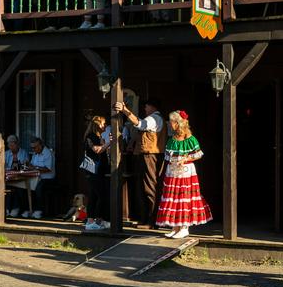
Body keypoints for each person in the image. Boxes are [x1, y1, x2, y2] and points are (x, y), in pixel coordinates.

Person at [156, 110, 212, 239]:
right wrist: (173, 161)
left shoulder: (190, 139)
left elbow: (198, 154)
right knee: (173, 197)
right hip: (173, 171)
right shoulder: (172, 139)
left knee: (184, 196)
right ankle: (175, 227)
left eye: (171, 121)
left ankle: (184, 227)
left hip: (186, 171)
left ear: (178, 123)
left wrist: (185, 159)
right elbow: (167, 156)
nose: (169, 124)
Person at [115, 98, 164, 227]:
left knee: (149, 187)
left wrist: (125, 110)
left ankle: (152, 221)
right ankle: (146, 218)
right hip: (146, 155)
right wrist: (132, 144)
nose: (145, 109)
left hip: (150, 156)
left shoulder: (154, 118)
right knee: (144, 186)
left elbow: (140, 124)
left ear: (152, 107)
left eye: (147, 106)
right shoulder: (154, 118)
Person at [83, 116, 113, 232]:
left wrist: (107, 144)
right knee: (100, 195)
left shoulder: (98, 136)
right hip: (92, 170)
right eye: (103, 123)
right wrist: (108, 143)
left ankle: (98, 221)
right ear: (97, 124)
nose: (105, 126)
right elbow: (97, 150)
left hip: (99, 170)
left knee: (95, 195)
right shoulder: (91, 136)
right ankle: (91, 222)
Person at [25, 137, 56, 218]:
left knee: (38, 188)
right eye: (32, 148)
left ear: (40, 146)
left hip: (47, 179)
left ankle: (39, 210)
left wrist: (34, 167)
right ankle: (28, 209)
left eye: (34, 147)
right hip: (36, 177)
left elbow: (48, 169)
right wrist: (27, 165)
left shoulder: (48, 153)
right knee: (24, 186)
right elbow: (32, 165)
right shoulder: (35, 154)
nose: (33, 149)